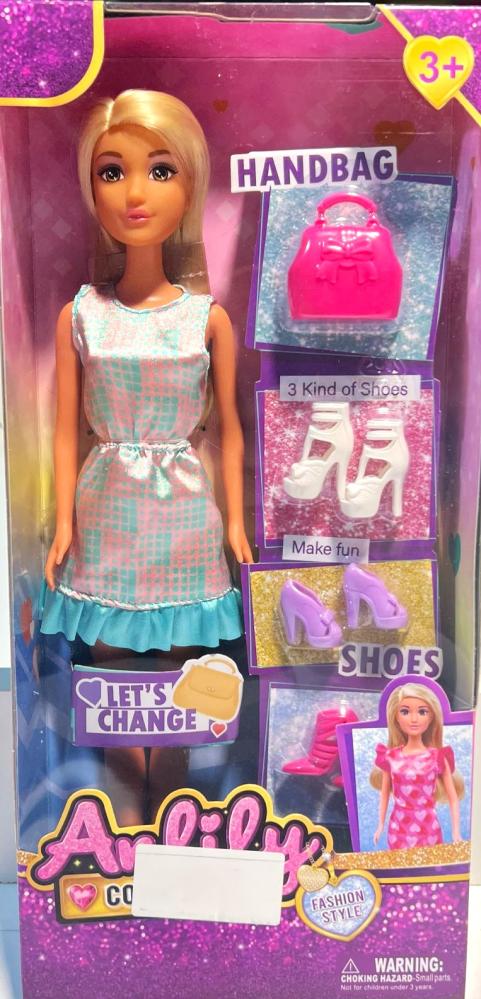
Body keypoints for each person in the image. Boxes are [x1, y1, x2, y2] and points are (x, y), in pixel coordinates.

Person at [40, 89, 252, 823]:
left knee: (183, 670)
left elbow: (229, 428)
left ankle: (173, 808)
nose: (135, 193)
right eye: (112, 171)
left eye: (160, 171)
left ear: (190, 184)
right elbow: (65, 430)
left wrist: (235, 523)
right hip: (106, 507)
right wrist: (63, 523)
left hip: (186, 511)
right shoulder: (81, 315)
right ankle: (128, 813)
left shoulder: (206, 318)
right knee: (106, 668)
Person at [371, 683, 464, 850]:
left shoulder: (437, 757)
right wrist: (380, 826)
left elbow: (453, 798)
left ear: (431, 717)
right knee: (399, 865)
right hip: (399, 828)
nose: (414, 719)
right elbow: (384, 794)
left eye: (422, 712)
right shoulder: (390, 757)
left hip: (428, 828)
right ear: (396, 717)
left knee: (430, 865)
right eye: (405, 712)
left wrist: (456, 832)